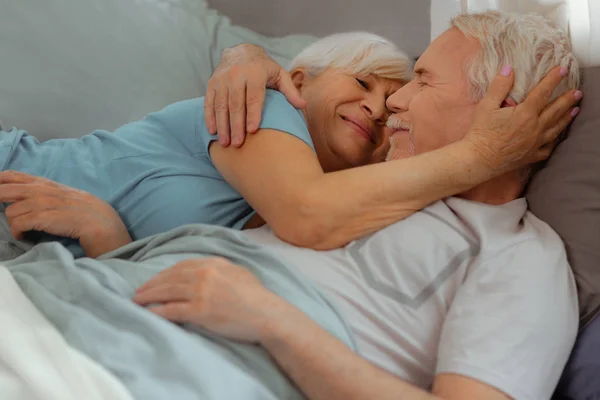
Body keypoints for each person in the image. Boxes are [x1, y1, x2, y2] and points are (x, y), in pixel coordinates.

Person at [133, 11, 582, 400]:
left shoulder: (518, 255)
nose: (394, 102)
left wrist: (272, 321)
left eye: (422, 80)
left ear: (501, 109)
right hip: (118, 294)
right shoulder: (348, 185)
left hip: (161, 357)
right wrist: (109, 243)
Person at [0, 30, 578, 259]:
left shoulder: (328, 197)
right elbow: (308, 215)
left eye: (394, 98)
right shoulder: (260, 106)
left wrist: (109, 236)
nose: (379, 108)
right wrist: (485, 153)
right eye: (362, 83)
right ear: (298, 82)